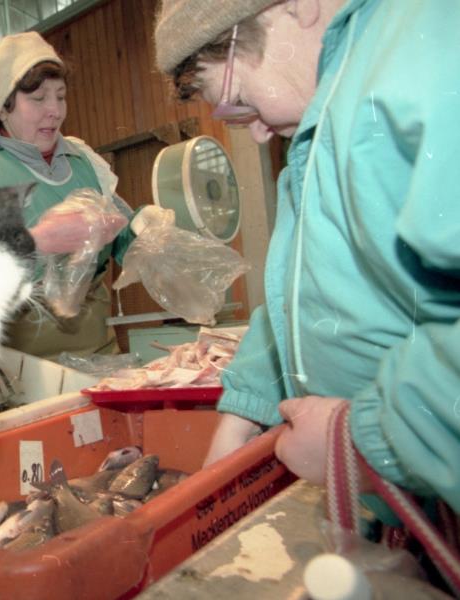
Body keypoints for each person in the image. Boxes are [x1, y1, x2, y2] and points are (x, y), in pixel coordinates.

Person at [153, 0, 459, 516]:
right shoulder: (323, 122)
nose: (256, 131)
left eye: (239, 99)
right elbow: (302, 295)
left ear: (298, 6)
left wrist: (365, 439)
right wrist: (245, 410)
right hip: (406, 502)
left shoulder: (426, 50)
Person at [0, 31, 168, 358]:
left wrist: (140, 232)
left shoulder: (84, 161)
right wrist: (39, 242)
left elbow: (120, 233)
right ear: (3, 108)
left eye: (61, 96)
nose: (55, 110)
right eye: (38, 98)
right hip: (22, 370)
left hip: (99, 355)